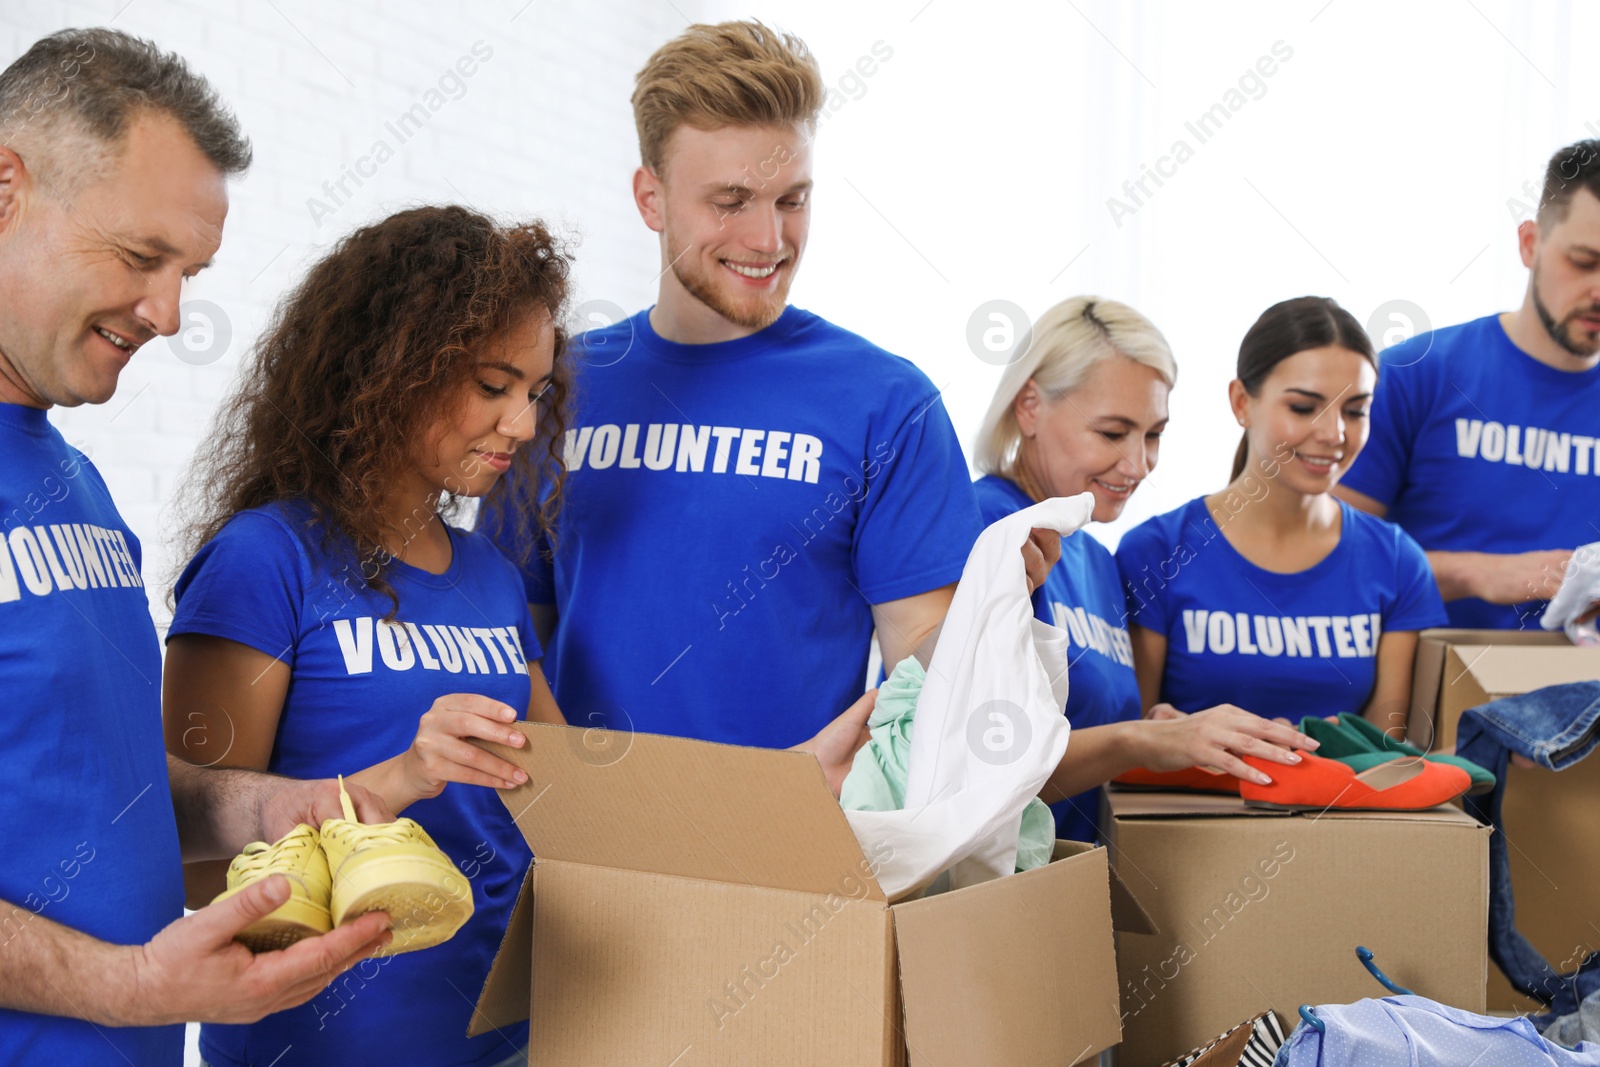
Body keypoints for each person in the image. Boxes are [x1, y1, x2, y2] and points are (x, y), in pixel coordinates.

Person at [482, 21, 1052, 768]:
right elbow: (503, 639)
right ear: (650, 199)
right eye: (730, 201)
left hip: (796, 846)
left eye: (793, 199)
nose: (768, 239)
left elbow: (920, 666)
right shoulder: (553, 390)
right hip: (585, 850)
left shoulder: (887, 403)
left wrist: (991, 608)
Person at [0, 28, 391, 1064]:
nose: (170, 312)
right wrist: (131, 983)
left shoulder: (69, 479)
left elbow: (101, 776)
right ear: (5, 189)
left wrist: (276, 803)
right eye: (141, 257)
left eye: (190, 271)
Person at [164, 206, 569, 1067]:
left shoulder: (491, 573)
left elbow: (571, 796)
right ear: (394, 368)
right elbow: (189, 858)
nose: (524, 426)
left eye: (534, 393)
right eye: (493, 386)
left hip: (506, 1037)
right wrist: (390, 785)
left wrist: (784, 778)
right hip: (320, 1044)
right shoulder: (264, 560)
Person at [972, 296, 1315, 839]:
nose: (1138, 465)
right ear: (1029, 405)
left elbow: (1083, 737)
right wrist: (1140, 742)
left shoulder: (1097, 560)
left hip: (1069, 881)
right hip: (991, 893)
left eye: (1153, 434)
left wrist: (1173, 735)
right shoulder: (991, 531)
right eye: (1112, 433)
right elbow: (981, 760)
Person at [1117, 296, 1449, 736]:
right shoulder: (1156, 550)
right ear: (1241, 402)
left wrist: (1326, 751)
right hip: (1185, 806)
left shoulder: (1396, 561)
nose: (1334, 434)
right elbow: (1131, 742)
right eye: (1303, 407)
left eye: (1356, 411)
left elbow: (1384, 749)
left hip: (1338, 807)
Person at [1335, 139, 1600, 630]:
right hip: (1437, 691)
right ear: (1530, 243)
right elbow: (1320, 561)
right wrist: (1479, 573)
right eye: (1584, 262)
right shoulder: (1415, 376)